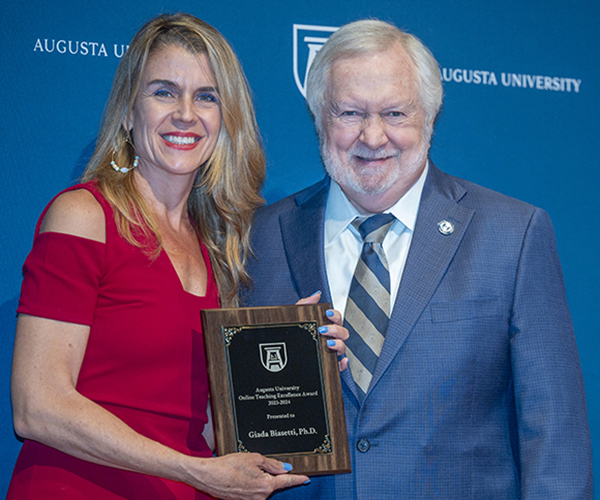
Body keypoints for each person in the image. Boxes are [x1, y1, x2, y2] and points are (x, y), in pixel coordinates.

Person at [242, 19, 592, 499]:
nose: (373, 135)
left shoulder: (513, 235)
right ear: (319, 117)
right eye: (349, 112)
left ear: (429, 117)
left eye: (395, 113)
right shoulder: (260, 234)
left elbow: (555, 434)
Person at [8, 13, 348, 500]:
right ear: (129, 111)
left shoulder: (218, 248)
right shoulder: (84, 216)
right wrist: (192, 470)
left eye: (206, 96)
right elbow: (36, 405)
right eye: (164, 91)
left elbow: (208, 430)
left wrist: (296, 359)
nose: (186, 113)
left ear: (225, 119)